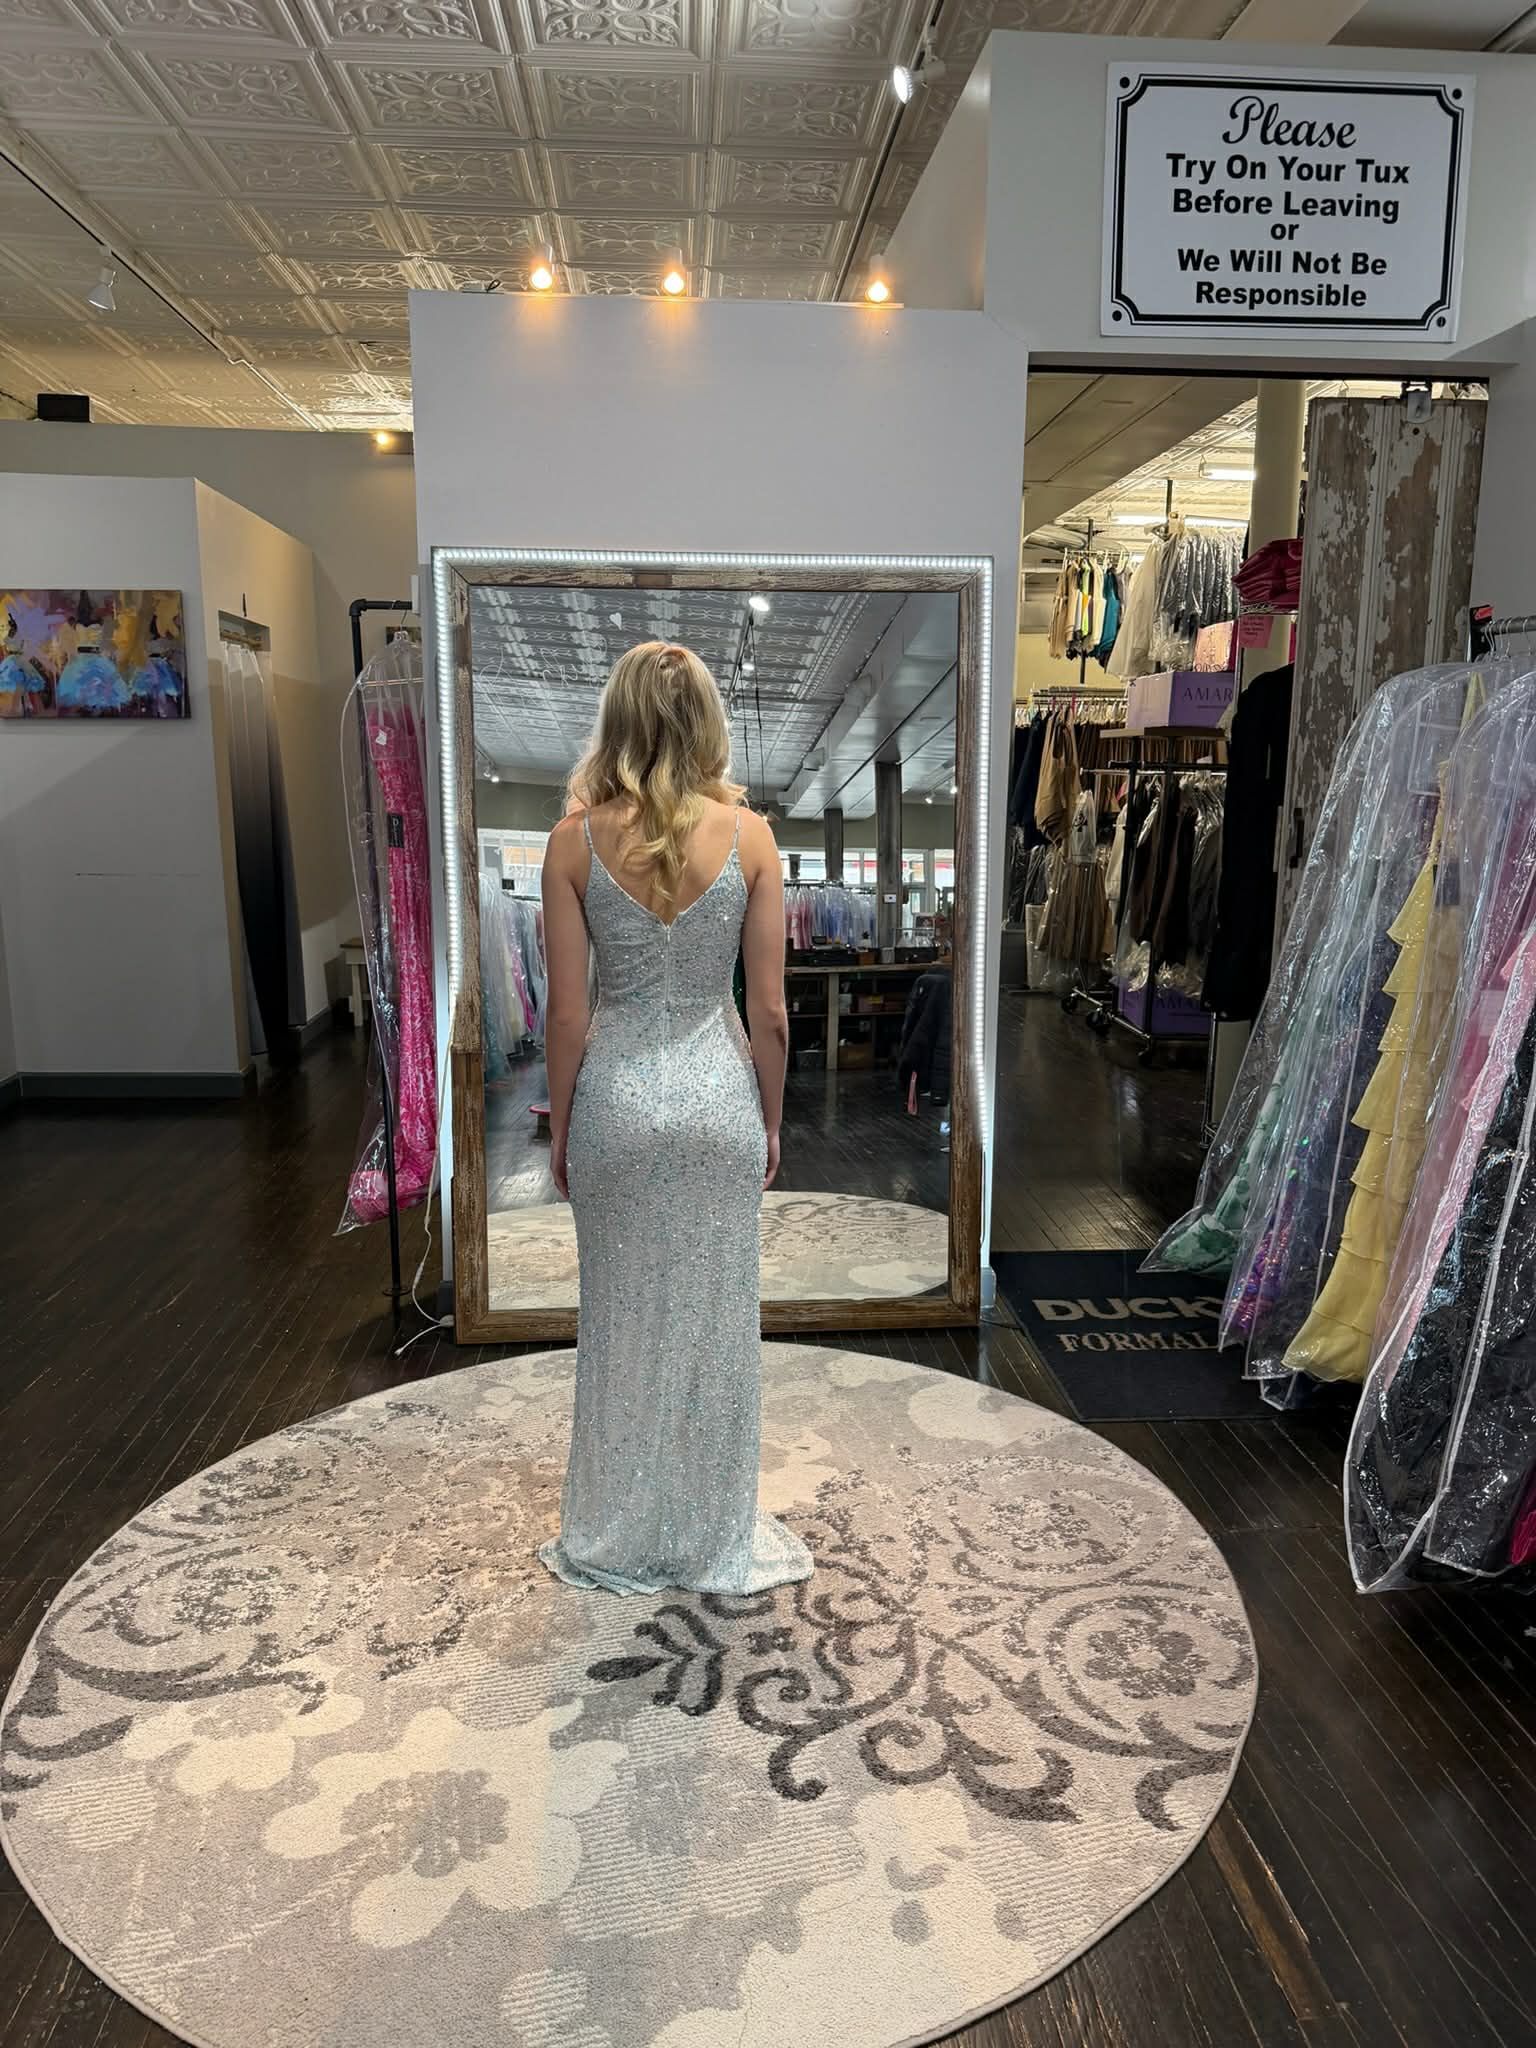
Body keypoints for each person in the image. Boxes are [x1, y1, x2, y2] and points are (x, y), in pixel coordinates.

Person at [534, 640, 814, 1598]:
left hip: (616, 1100)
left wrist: (564, 1130)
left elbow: (567, 1017)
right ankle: (704, 1530)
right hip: (715, 1102)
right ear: (707, 723)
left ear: (617, 719)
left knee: (619, 1321)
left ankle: (619, 1527)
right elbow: (772, 1013)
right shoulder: (752, 838)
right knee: (713, 1325)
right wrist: (771, 1122)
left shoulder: (572, 843)